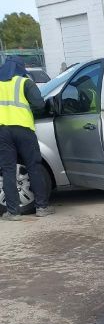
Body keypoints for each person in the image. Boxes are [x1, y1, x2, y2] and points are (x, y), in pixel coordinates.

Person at [0, 56, 54, 221]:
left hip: (2, 132)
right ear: (20, 68)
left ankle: (13, 212)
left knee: (8, 171)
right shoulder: (25, 82)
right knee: (34, 167)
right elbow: (39, 104)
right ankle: (42, 207)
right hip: (23, 129)